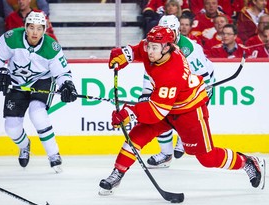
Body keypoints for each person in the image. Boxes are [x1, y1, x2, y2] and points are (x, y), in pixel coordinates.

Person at [98, 25, 265, 195]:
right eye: (149, 46)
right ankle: (117, 173)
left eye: (154, 48)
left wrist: (130, 113)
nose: (149, 51)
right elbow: (137, 50)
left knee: (207, 158)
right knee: (137, 135)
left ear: (167, 48)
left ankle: (248, 162)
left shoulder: (172, 71)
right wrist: (124, 54)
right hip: (167, 105)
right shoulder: (156, 47)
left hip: (189, 110)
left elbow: (157, 111)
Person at [0, 11, 78, 172]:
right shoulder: (12, 37)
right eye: (31, 28)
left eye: (39, 28)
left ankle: (53, 154)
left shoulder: (51, 47)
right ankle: (24, 146)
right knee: (11, 127)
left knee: (37, 113)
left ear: (44, 30)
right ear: (25, 28)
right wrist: (0, 72)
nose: (35, 32)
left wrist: (67, 85)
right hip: (17, 83)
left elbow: (62, 73)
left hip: (42, 81)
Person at [141, 15, 215, 168]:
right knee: (157, 114)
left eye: (171, 31)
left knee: (185, 117)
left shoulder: (189, 48)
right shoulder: (156, 45)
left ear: (178, 31)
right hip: (173, 84)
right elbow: (150, 74)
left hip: (196, 83)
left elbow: (203, 78)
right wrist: (146, 93)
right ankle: (166, 154)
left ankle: (182, 139)